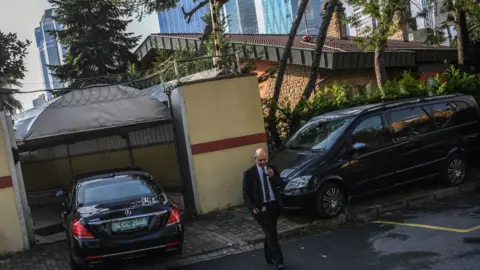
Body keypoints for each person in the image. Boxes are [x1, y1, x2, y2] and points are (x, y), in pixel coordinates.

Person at [243, 148, 285, 269]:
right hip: (260, 208)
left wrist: (273, 177)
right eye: (260, 160)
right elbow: (246, 194)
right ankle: (279, 260)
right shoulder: (249, 174)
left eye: (265, 159)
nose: (263, 162)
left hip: (273, 205)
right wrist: (252, 207)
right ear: (255, 159)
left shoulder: (272, 168)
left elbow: (280, 183)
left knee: (270, 233)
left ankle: (268, 257)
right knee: (271, 233)